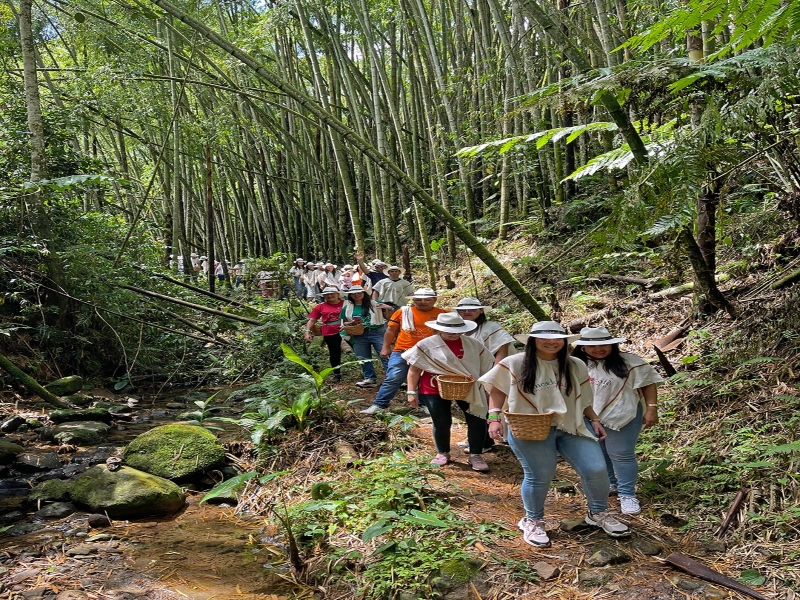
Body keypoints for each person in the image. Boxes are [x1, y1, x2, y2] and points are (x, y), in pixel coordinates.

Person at [479, 321, 630, 547]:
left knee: (596, 468)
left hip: (571, 424)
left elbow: (584, 397)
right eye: (544, 338)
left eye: (557, 338)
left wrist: (594, 420)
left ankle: (598, 513)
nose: (551, 342)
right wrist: (493, 418)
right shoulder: (515, 363)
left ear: (564, 342)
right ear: (533, 341)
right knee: (540, 474)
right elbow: (498, 390)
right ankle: (533, 520)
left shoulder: (575, 364)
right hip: (528, 427)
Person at [572, 326, 664, 515]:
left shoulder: (629, 362)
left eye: (604, 345)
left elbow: (648, 384)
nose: (599, 349)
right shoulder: (575, 363)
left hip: (623, 413)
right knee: (599, 452)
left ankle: (627, 494)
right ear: (582, 347)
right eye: (593, 346)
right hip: (587, 414)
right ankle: (610, 484)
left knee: (621, 453)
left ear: (612, 345)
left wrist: (652, 409)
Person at [403, 313, 495, 471]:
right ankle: (443, 453)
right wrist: (411, 392)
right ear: (439, 330)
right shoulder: (426, 345)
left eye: (457, 330)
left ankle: (475, 454)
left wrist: (486, 388)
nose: (453, 334)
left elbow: (485, 365)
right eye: (448, 331)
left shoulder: (473, 344)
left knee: (476, 418)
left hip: (468, 386)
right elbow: (414, 370)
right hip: (432, 387)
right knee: (441, 421)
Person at [359, 288, 448, 415]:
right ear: (413, 300)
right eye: (418, 299)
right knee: (394, 377)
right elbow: (391, 330)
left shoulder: (444, 313)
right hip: (402, 350)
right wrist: (385, 347)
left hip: (430, 351)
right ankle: (379, 405)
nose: (423, 302)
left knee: (426, 379)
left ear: (434, 300)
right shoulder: (404, 312)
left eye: (427, 299)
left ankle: (424, 404)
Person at [452, 297, 516, 452]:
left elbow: (502, 349)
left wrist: (496, 374)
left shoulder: (491, 327)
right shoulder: (457, 327)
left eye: (472, 309)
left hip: (489, 372)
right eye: (463, 310)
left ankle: (486, 441)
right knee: (471, 407)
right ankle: (475, 438)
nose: (467, 312)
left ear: (480, 310)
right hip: (467, 374)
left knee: (488, 407)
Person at [340, 285, 390, 388]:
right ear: (350, 295)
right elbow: (344, 321)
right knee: (363, 357)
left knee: (385, 354)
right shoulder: (347, 307)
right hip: (358, 333)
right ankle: (369, 378)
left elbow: (389, 316)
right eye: (354, 293)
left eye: (359, 293)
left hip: (377, 331)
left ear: (364, 293)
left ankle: (393, 378)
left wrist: (389, 308)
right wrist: (352, 323)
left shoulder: (375, 304)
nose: (356, 295)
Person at [304, 287, 345, 382]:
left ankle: (367, 373)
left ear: (338, 294)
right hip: (329, 332)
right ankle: (336, 374)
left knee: (358, 349)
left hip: (347, 330)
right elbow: (312, 320)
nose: (330, 296)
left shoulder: (346, 303)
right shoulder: (320, 306)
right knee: (334, 353)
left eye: (332, 293)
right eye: (327, 294)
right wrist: (307, 332)